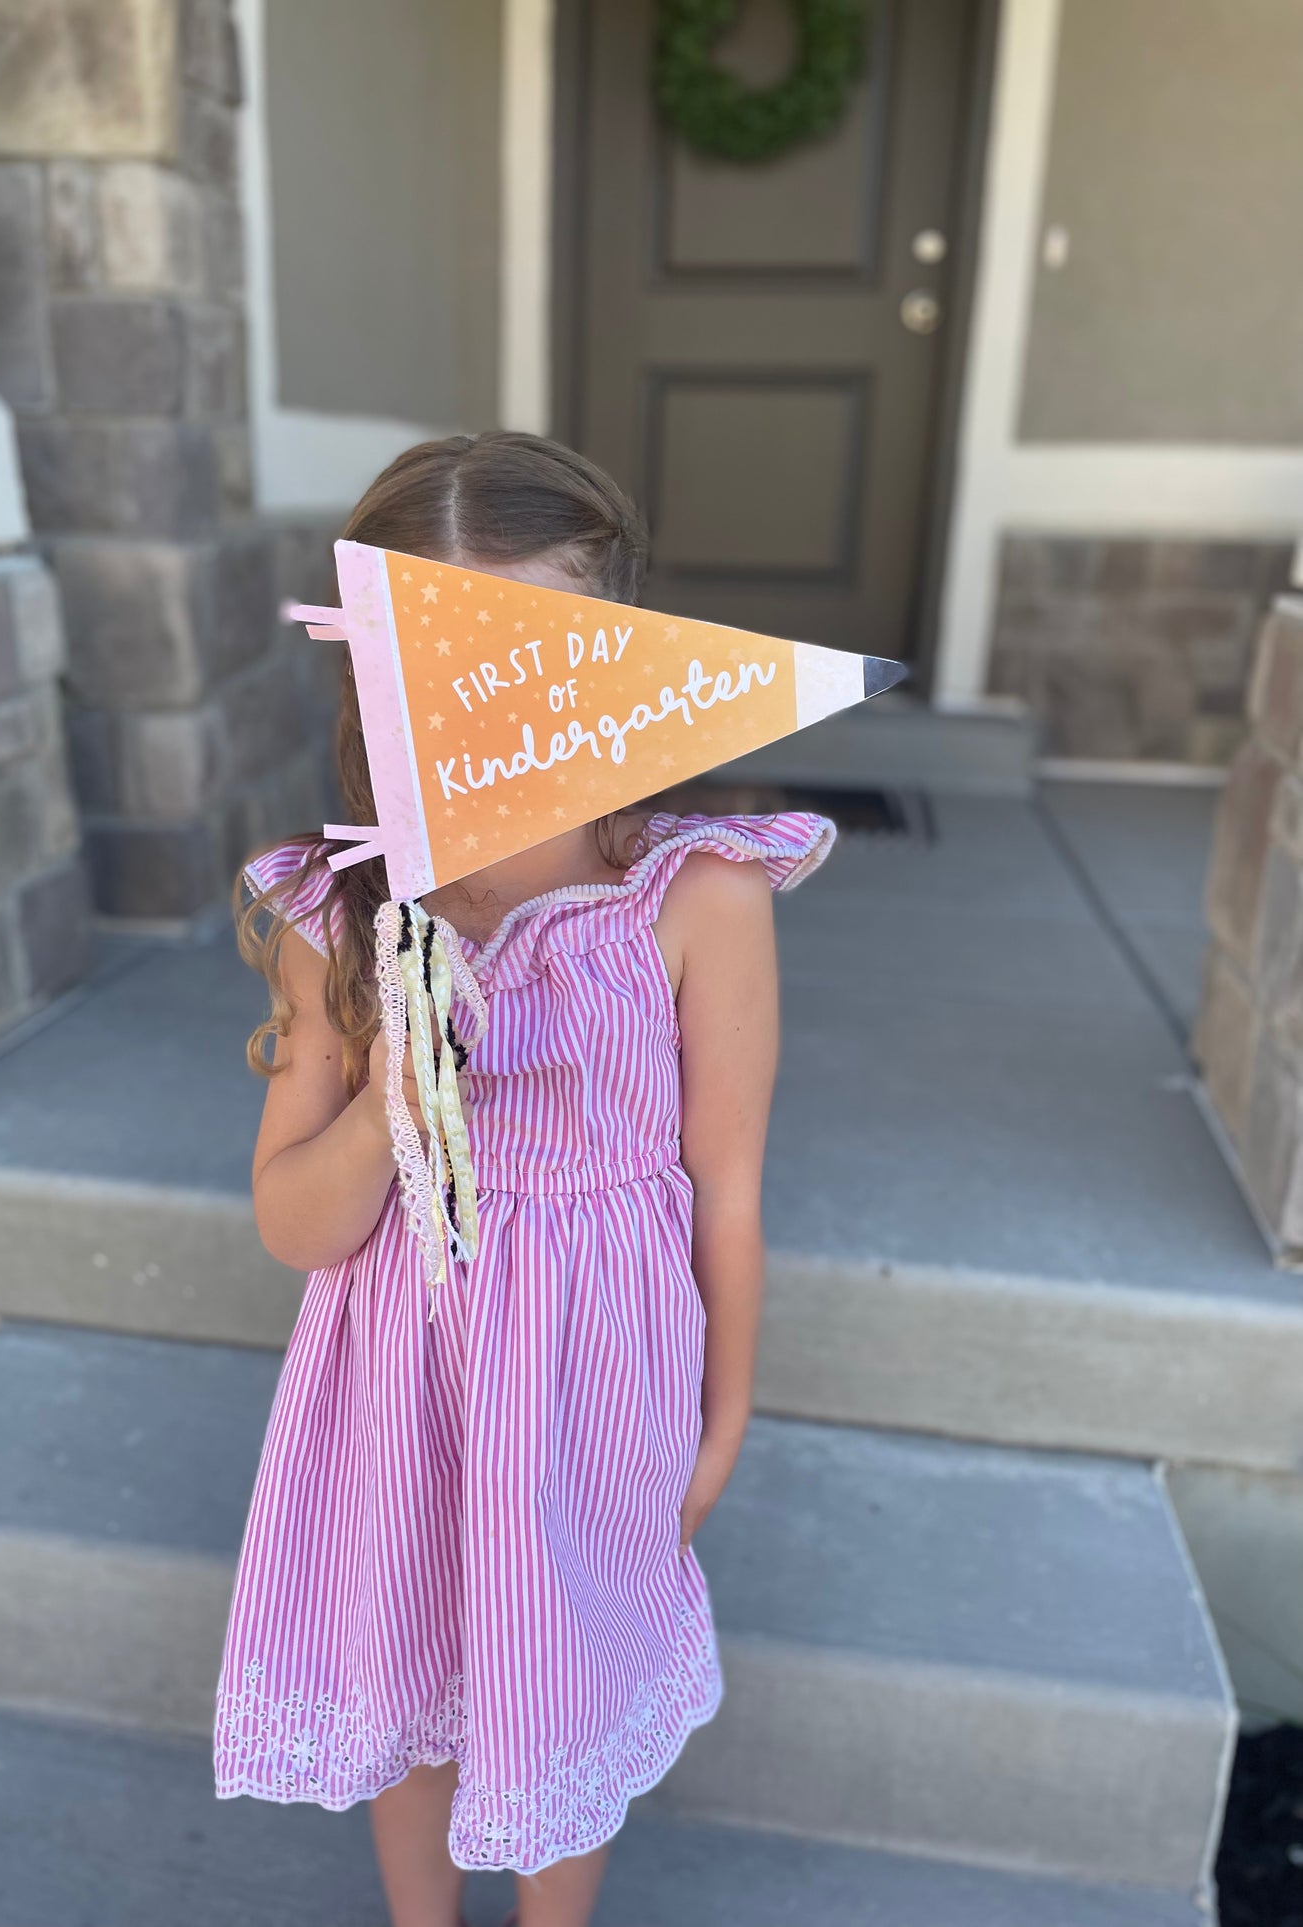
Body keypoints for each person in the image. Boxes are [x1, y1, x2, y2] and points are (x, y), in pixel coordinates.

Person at [213, 431, 834, 1927]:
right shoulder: (343, 903)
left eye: (530, 651)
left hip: (591, 1376)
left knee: (563, 1684)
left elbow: (725, 1183)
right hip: (395, 1380)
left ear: (612, 652)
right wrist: (387, 1092)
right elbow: (298, 1223)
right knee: (414, 1676)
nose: (485, 699)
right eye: (436, 658)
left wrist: (724, 1413)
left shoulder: (697, 895)